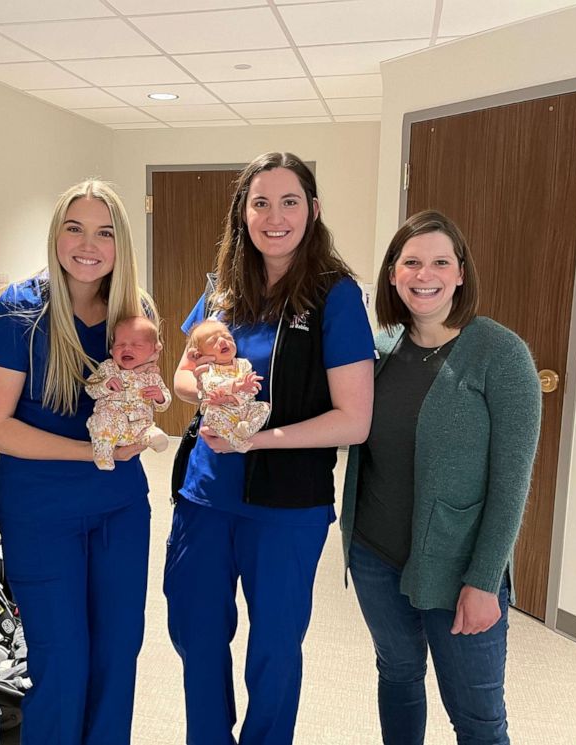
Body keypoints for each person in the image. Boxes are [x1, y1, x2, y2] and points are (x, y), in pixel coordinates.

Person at [165, 152, 375, 745]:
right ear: (243, 212)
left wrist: (256, 439)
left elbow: (353, 420)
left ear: (313, 210)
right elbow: (183, 373)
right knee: (196, 633)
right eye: (261, 202)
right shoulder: (224, 288)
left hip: (287, 509)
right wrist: (212, 391)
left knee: (275, 649)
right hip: (205, 497)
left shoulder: (336, 296)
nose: (275, 216)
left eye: (290, 201)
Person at [339, 210, 542, 745]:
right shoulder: (379, 350)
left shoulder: (501, 353)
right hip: (375, 556)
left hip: (460, 569)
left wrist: (483, 581)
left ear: (459, 274)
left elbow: (512, 483)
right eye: (411, 262)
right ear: (392, 274)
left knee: (477, 718)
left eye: (439, 262)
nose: (424, 274)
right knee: (398, 677)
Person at [0, 180, 156, 745]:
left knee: (116, 655)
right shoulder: (18, 311)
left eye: (104, 231)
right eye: (74, 227)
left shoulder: (135, 312)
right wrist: (92, 451)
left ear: (120, 243)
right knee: (63, 663)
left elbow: (142, 395)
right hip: (41, 513)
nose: (88, 244)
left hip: (120, 510)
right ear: (56, 234)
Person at [85, 315, 171, 471]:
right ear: (111, 350)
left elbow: (163, 404)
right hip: (110, 425)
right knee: (102, 426)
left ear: (153, 351)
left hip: (139, 424)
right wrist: (105, 385)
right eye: (120, 345)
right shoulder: (107, 368)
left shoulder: (150, 375)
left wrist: (160, 397)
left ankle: (151, 437)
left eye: (137, 345)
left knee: (148, 429)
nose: (127, 349)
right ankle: (103, 454)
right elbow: (90, 388)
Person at [186, 319, 268, 453]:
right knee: (212, 417)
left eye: (227, 337)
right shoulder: (208, 369)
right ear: (200, 354)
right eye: (213, 341)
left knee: (263, 408)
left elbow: (249, 390)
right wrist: (237, 386)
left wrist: (236, 394)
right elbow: (212, 386)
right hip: (221, 410)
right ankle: (236, 441)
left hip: (243, 406)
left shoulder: (243, 364)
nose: (223, 342)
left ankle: (246, 429)